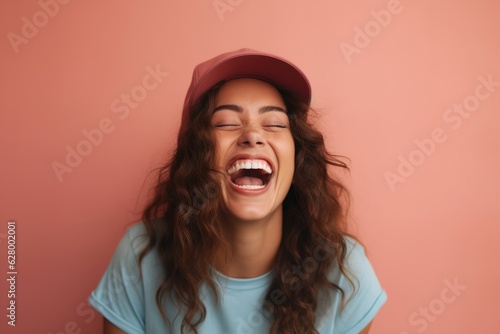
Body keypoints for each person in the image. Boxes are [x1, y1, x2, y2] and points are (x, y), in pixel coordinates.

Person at [89, 48, 387, 334]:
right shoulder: (141, 257)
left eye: (274, 123)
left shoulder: (346, 273)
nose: (253, 135)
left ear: (298, 157)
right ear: (197, 156)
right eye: (226, 122)